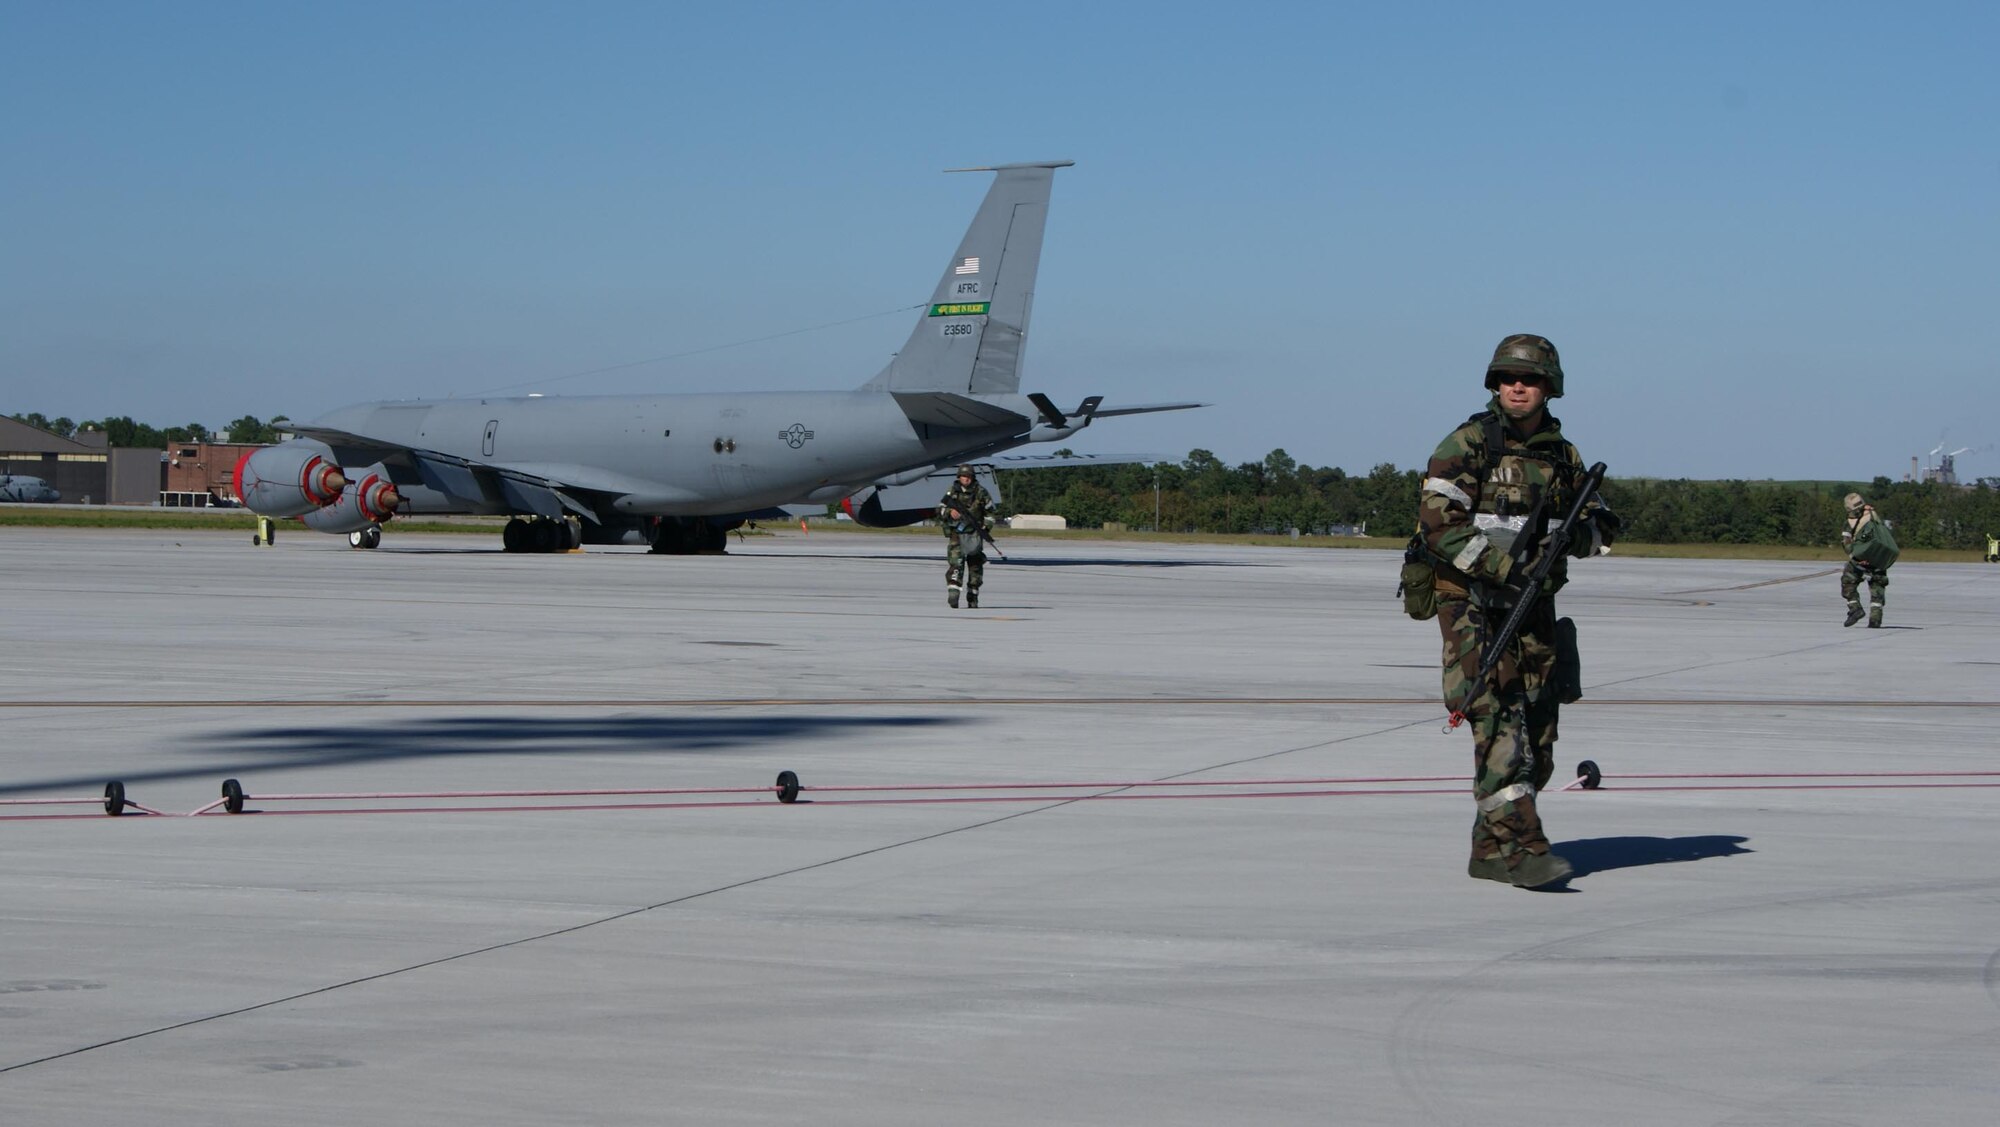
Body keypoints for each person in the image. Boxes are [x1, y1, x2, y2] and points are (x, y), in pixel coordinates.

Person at [1417, 334, 1617, 889]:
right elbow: (1438, 522)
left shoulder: (1563, 456)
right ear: (1494, 385)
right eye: (1508, 378)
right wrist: (1505, 570)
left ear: (1549, 387)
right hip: (1471, 602)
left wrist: (1579, 533)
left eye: (1528, 379)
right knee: (1499, 722)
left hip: (1534, 607)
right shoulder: (1468, 444)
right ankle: (1527, 850)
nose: (1517, 386)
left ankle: (1489, 851)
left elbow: (1603, 525)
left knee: (1540, 733)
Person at [1840, 492, 1897, 627]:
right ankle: (1875, 620)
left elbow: (1847, 544)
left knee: (1847, 582)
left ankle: (1855, 609)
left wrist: (1856, 557)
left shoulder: (1849, 522)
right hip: (1879, 561)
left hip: (1859, 562)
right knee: (1877, 590)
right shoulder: (1874, 515)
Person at [938, 465, 992, 608]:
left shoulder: (981, 493)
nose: (966, 478)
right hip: (956, 534)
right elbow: (940, 508)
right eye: (963, 476)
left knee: (975, 565)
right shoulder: (952, 492)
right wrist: (950, 512)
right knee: (956, 564)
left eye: (968, 476)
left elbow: (991, 513)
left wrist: (985, 527)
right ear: (959, 477)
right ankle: (953, 594)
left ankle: (973, 594)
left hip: (974, 534)